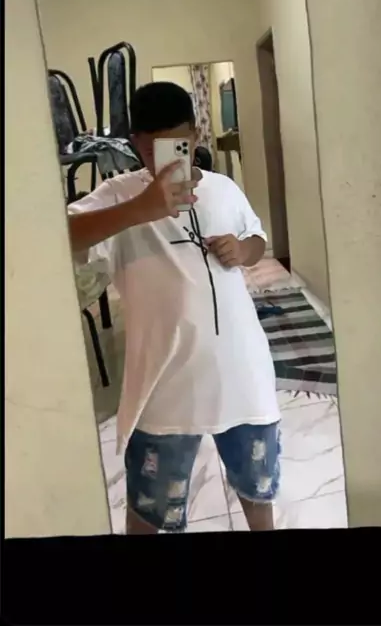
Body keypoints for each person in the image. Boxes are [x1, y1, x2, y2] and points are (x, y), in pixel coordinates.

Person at [68, 82, 280, 533]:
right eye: (151, 152)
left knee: (259, 495)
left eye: (176, 147)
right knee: (149, 511)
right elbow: (60, 235)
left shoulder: (224, 188)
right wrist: (139, 209)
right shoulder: (118, 194)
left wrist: (243, 250)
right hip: (163, 387)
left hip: (242, 376)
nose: (164, 162)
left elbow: (257, 239)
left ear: (195, 135)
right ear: (134, 145)